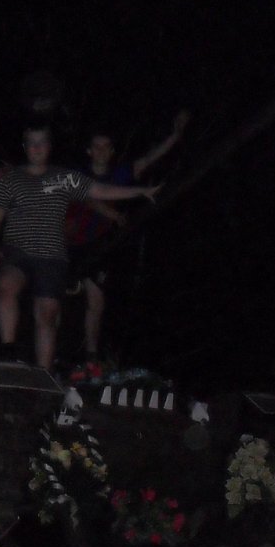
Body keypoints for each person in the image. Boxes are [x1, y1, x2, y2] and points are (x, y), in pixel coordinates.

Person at [0, 123, 162, 369]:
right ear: (25, 147)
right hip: (18, 249)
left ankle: (44, 373)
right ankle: (7, 350)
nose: (37, 148)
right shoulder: (10, 179)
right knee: (6, 285)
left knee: (47, 314)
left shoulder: (64, 177)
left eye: (41, 142)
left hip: (52, 255)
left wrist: (140, 191)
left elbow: (99, 190)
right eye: (32, 143)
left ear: (49, 146)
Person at [64, 110, 190, 360]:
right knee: (58, 297)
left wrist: (175, 136)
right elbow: (85, 197)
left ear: (112, 151)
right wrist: (111, 213)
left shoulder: (120, 174)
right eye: (96, 146)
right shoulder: (76, 173)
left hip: (100, 245)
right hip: (70, 243)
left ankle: (90, 356)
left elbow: (149, 158)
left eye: (106, 147)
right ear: (89, 151)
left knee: (97, 301)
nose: (101, 151)